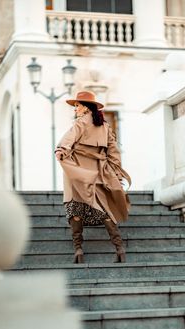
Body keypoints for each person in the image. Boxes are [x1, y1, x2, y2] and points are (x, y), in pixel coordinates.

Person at [55, 91, 131, 264]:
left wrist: (61, 150)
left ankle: (78, 250)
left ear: (84, 107)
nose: (75, 110)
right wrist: (115, 172)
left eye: (77, 106)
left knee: (75, 209)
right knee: (104, 210)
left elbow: (69, 138)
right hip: (97, 172)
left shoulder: (80, 122)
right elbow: (114, 152)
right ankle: (119, 249)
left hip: (78, 171)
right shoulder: (105, 126)